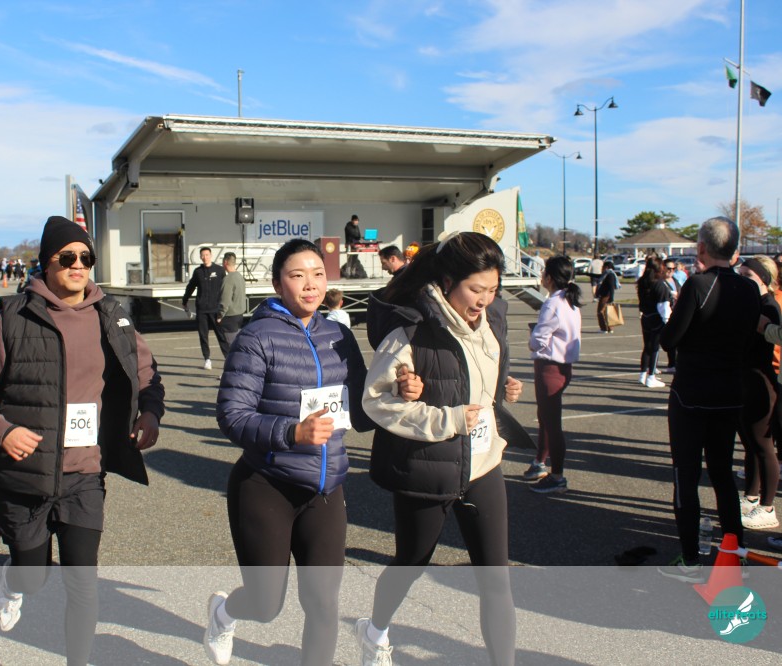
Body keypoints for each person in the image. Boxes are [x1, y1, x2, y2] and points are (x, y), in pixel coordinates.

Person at [0, 215, 165, 666]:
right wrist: (3, 430)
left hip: (85, 473)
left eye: (86, 258)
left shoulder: (113, 315)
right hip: (25, 474)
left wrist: (150, 413)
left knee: (83, 583)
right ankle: (13, 583)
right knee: (33, 576)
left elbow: (147, 373)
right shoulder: (13, 317)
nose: (78, 265)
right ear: (45, 263)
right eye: (67, 257)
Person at [205, 239, 381, 666]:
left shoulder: (338, 334)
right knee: (266, 605)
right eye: (297, 276)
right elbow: (232, 415)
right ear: (277, 284)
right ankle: (223, 613)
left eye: (318, 274)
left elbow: (360, 411)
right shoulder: (257, 336)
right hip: (267, 485)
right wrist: (292, 432)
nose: (310, 284)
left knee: (323, 604)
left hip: (326, 489)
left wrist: (397, 393)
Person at [357, 231, 524, 666]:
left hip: (482, 465)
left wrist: (501, 390)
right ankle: (375, 631)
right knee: (411, 562)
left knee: (496, 579)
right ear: (447, 282)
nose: (484, 300)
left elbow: (476, 375)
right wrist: (446, 419)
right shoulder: (411, 329)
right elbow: (376, 401)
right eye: (476, 289)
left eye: (493, 289)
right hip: (428, 466)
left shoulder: (493, 319)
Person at [658, 217, 761, 582]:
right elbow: (749, 340)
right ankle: (735, 554)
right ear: (734, 250)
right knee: (721, 475)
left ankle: (690, 560)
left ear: (701, 248)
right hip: (730, 392)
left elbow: (669, 339)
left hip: (691, 394)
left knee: (685, 476)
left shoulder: (699, 284)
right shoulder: (749, 289)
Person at [525, 255, 582, 493]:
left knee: (551, 423)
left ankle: (557, 476)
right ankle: (540, 462)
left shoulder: (553, 303)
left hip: (550, 367)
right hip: (563, 367)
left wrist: (533, 337)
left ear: (549, 277)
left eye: (543, 273)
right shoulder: (569, 300)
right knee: (546, 418)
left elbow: (538, 340)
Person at [741, 257, 781, 530]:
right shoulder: (753, 303)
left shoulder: (769, 306)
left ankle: (767, 506)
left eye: (749, 276)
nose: (742, 280)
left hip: (761, 381)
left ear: (764, 279)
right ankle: (751, 497)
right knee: (751, 444)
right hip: (746, 378)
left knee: (763, 445)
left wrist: (763, 327)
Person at [183, 246, 228, 370]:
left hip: (216, 309)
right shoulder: (198, 272)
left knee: (221, 335)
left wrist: (225, 306)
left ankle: (228, 358)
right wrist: (185, 300)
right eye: (202, 255)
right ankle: (207, 359)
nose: (205, 257)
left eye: (207, 255)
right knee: (203, 336)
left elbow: (225, 288)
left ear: (211, 255)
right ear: (200, 257)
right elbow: (190, 287)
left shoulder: (219, 270)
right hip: (202, 309)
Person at [636, 256, 672, 389]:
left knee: (647, 346)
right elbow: (663, 306)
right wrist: (667, 320)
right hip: (657, 318)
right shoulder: (659, 284)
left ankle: (642, 374)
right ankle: (651, 376)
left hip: (645, 317)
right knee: (655, 348)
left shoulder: (642, 282)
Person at [216, 252, 246, 349]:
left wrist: (220, 315)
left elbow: (225, 299)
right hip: (239, 315)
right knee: (238, 344)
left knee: (231, 347)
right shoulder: (239, 276)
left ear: (225, 262)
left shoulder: (228, 279)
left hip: (230, 317)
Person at [662, 259, 682, 374]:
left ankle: (674, 363)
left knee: (677, 339)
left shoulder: (675, 280)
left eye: (673, 269)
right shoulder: (660, 282)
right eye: (669, 268)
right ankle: (671, 363)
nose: (671, 271)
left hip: (676, 312)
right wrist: (670, 296)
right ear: (663, 268)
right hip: (665, 314)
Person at [594, 260, 619, 333]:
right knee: (607, 312)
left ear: (606, 267)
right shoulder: (606, 274)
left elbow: (611, 287)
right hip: (606, 295)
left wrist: (611, 298)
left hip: (606, 296)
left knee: (600, 312)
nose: (601, 268)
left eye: (603, 266)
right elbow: (597, 276)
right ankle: (609, 328)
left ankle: (604, 328)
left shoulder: (610, 275)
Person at [342, 214, 367, 279]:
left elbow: (358, 235)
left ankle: (353, 273)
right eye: (356, 220)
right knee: (350, 260)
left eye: (357, 221)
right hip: (350, 245)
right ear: (352, 220)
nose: (357, 222)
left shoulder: (356, 227)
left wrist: (361, 239)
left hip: (356, 245)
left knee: (355, 260)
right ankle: (348, 274)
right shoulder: (348, 226)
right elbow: (354, 234)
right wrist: (358, 238)